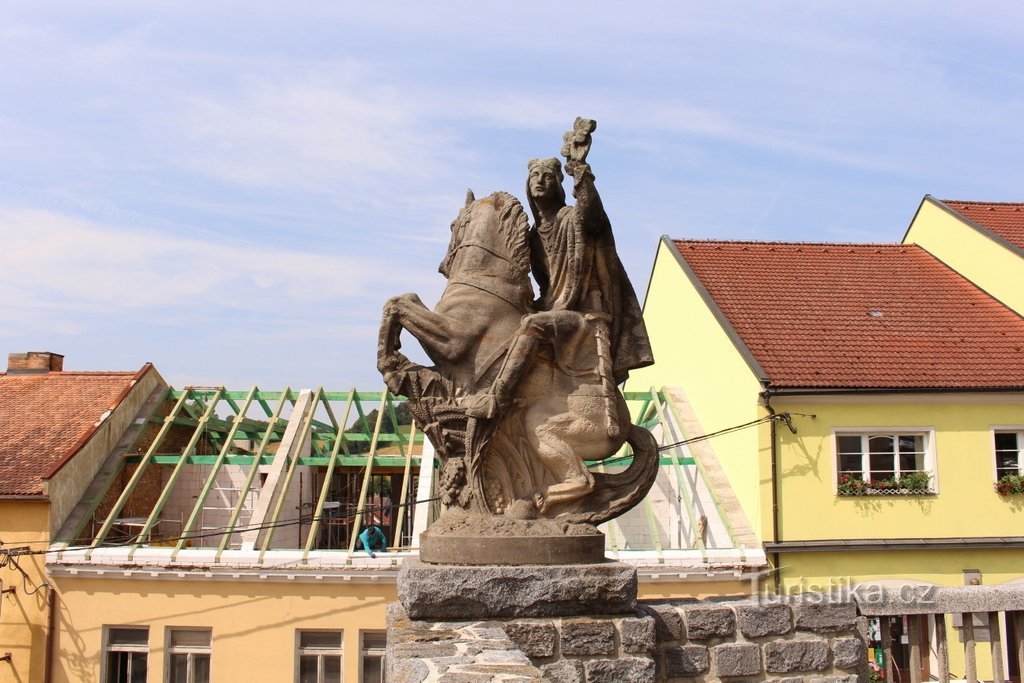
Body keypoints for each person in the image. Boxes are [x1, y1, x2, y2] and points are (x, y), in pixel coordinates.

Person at [465, 125, 653, 421]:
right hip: (552, 307)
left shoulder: (571, 218)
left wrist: (579, 168)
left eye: (548, 176)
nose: (540, 181)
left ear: (558, 184)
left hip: (584, 314)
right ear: (527, 184)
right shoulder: (531, 237)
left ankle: (497, 398)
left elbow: (592, 214)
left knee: (532, 326)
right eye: (535, 176)